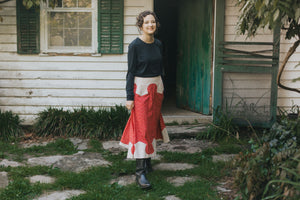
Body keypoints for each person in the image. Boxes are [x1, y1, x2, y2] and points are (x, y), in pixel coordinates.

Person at [119, 10, 170, 189]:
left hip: (156, 89)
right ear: (140, 25)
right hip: (140, 89)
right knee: (141, 128)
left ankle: (147, 161)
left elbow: (160, 67)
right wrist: (129, 97)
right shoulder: (135, 46)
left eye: (153, 22)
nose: (151, 25)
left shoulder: (158, 44)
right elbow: (130, 72)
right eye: (147, 22)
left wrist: (161, 87)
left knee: (151, 125)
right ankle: (140, 173)